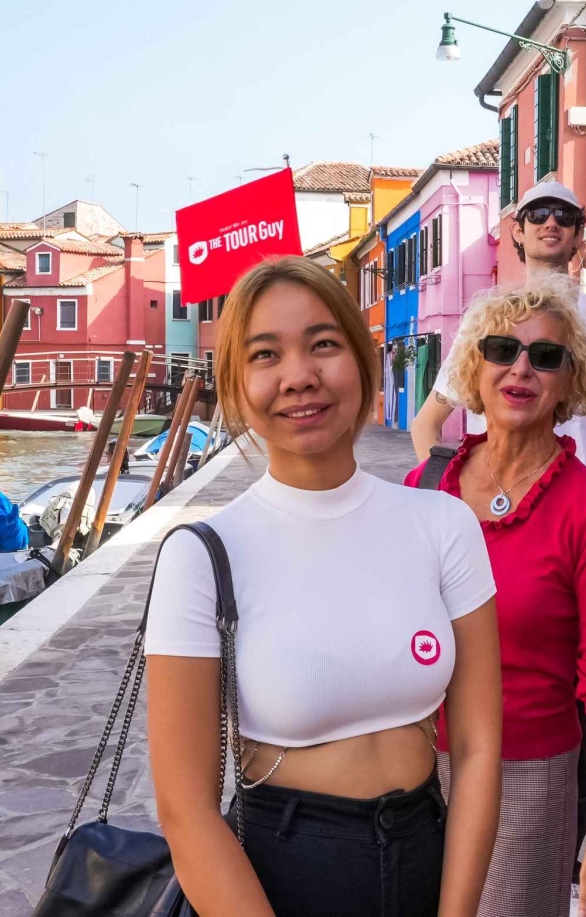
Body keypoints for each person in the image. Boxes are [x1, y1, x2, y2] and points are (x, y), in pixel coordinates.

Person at [143, 256, 502, 917]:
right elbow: (186, 810)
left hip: (426, 852)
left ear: (363, 363)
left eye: (323, 344)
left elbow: (479, 747)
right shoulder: (203, 556)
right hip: (278, 875)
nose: (299, 376)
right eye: (264, 354)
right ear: (236, 386)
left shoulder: (442, 524)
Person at [407, 275, 586, 917]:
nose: (520, 369)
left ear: (571, 383)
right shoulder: (424, 490)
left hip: (529, 776)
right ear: (472, 369)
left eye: (545, 357)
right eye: (501, 349)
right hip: (412, 773)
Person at [411, 178, 586, 545]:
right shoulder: (487, 320)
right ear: (518, 230)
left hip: (584, 523)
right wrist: (451, 504)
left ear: (579, 235)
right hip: (498, 521)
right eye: (538, 214)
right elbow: (426, 425)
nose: (551, 222)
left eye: (564, 216)